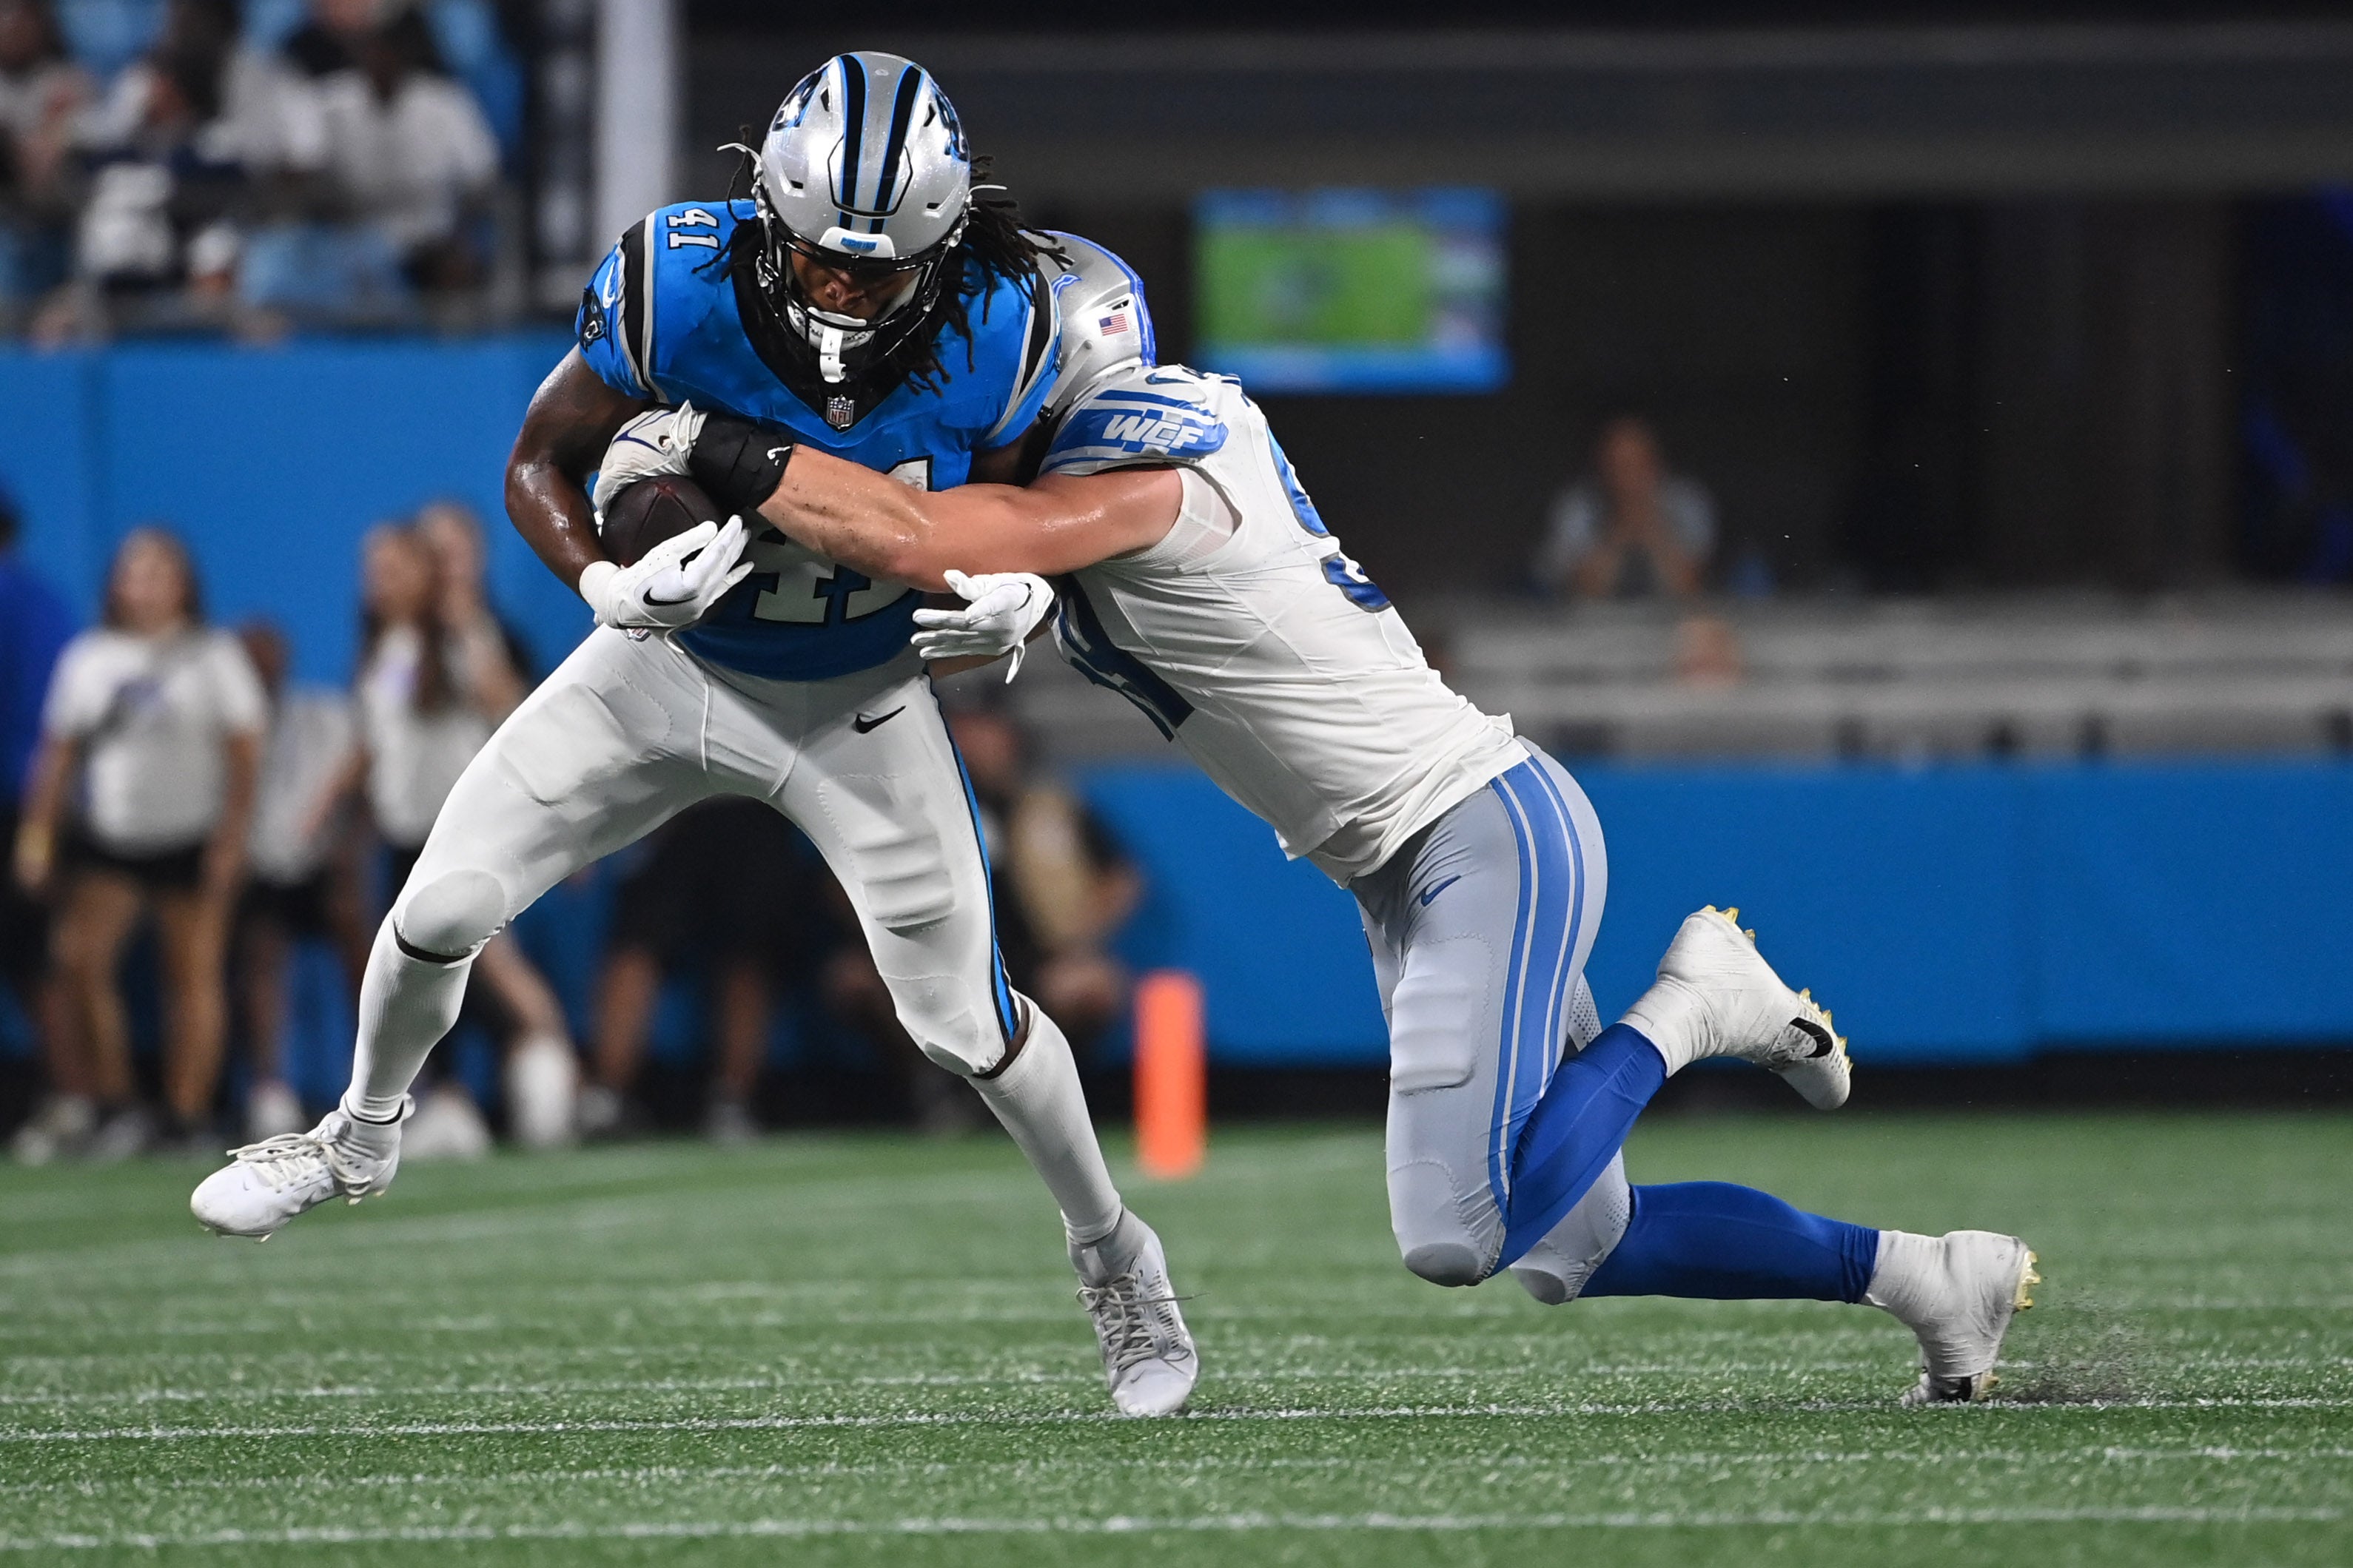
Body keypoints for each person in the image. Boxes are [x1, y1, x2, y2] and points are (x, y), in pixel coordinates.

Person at [627, 235, 2043, 1407]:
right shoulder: (1145, 446)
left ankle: (1693, 1007)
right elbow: (1004, 560)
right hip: (1415, 858)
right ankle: (1929, 1278)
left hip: (1475, 829)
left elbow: (931, 535)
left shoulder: (1143, 467)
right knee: (1578, 1238)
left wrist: (717, 440)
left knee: (1459, 1231)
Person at [190, 53, 1196, 1421]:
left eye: (880, 271)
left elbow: (1084, 509)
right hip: (662, 665)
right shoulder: (679, 278)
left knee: (968, 1024)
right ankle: (357, 1136)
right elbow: (538, 462)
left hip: (859, 695)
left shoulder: (1021, 318)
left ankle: (1114, 1255)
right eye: (821, 263)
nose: (844, 292)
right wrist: (603, 587)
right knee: (439, 905)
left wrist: (1031, 591)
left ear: (945, 243)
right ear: (767, 217)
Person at [14, 528, 263, 1157]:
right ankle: (115, 1104)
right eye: (135, 571)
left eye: (160, 572)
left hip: (191, 838)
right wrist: (37, 840)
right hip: (112, 841)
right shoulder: (89, 658)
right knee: (80, 960)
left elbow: (245, 754)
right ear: (116, 584)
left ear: (185, 584)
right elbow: (58, 757)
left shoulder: (213, 655)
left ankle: (184, 1113)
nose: (147, 585)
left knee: (194, 975)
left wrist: (232, 838)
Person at [347, 519, 574, 1154]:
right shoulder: (386, 646)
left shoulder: (456, 634)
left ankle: (554, 1076)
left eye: (393, 570)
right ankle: (450, 1102)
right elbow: (379, 746)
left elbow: (510, 707)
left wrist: (467, 627)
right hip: (403, 838)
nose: (378, 584)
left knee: (494, 971)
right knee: (422, 985)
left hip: (459, 838)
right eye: (373, 572)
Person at [828, 700, 1138, 1133]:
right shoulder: (911, 807)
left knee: (1090, 987)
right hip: (935, 962)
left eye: (984, 732)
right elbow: (842, 879)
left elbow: (1121, 877)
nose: (975, 743)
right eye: (964, 732)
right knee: (854, 979)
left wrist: (1078, 938)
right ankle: (932, 1085)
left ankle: (1045, 1095)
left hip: (1031, 962)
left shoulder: (1047, 807)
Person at [578, 797, 819, 1144]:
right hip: (679, 803)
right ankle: (606, 1096)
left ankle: (732, 1100)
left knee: (749, 952)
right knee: (638, 942)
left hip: (754, 802)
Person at [232, 620, 365, 1143]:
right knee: (261, 953)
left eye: (268, 655)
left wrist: (340, 850)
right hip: (258, 868)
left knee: (370, 948)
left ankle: (386, 1081)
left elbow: (357, 767)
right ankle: (270, 1089)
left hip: (322, 863)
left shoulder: (321, 715)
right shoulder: (229, 723)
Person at [0, 482, 76, 1162]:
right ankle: (65, 1097)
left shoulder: (18, 598)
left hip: (19, 804)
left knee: (41, 963)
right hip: (34, 808)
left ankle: (65, 1096)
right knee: (39, 965)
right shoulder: (47, 599)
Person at [1534, 417, 1716, 600]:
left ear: (1656, 464)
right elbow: (1582, 591)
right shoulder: (1578, 505)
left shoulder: (1686, 501)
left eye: (1637, 464)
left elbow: (1689, 589)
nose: (1626, 477)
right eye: (1617, 465)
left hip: (1669, 621)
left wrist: (1652, 529)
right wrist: (1618, 531)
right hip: (1593, 625)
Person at [0, 0, 93, 317]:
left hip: (64, 226)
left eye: (20, 16)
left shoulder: (68, 81)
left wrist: (48, 138)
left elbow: (45, 166)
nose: (11, 26)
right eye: (3, 15)